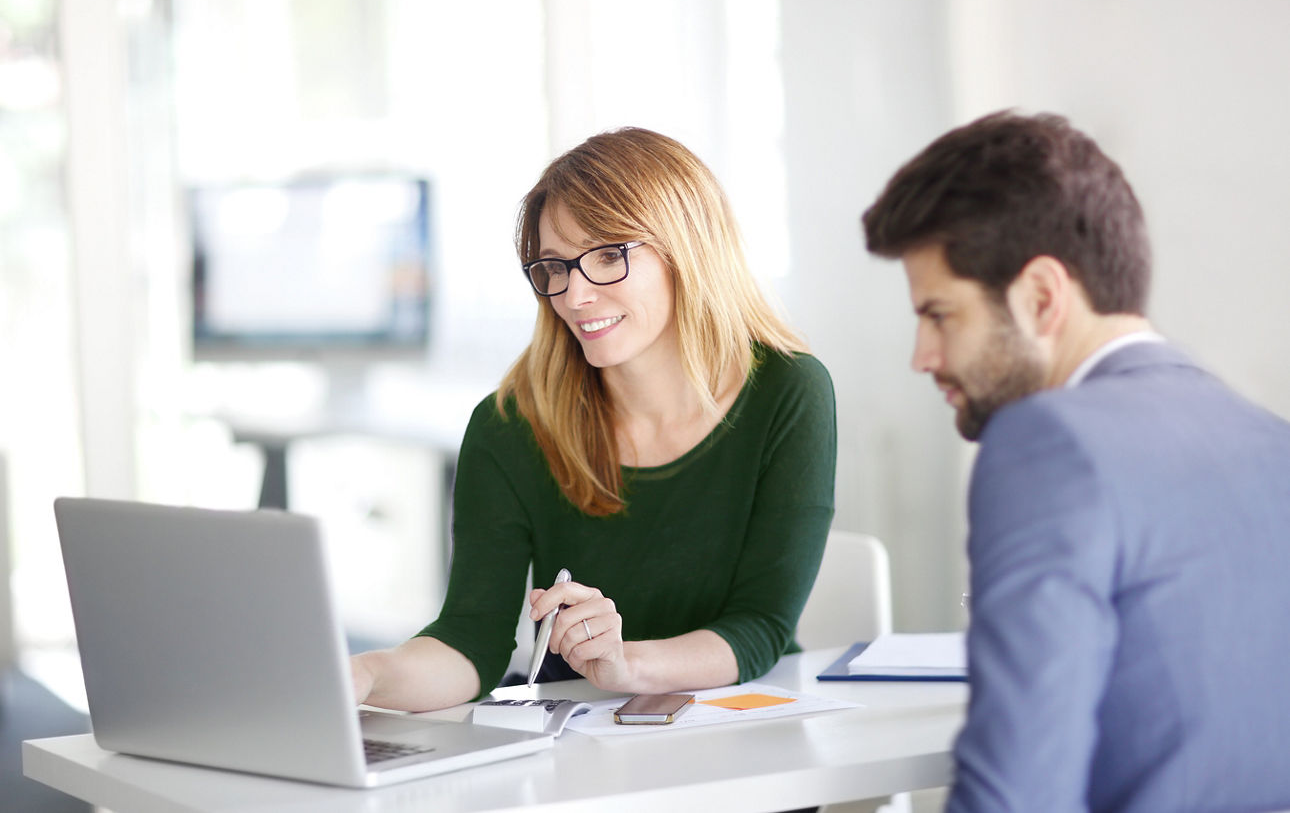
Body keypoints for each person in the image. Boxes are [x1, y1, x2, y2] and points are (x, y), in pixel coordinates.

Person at [862, 111, 1290, 812]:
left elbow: (1017, 795)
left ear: (1040, 297)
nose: (922, 357)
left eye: (939, 315)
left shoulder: (1047, 442)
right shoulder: (1273, 441)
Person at [352, 127, 836, 713]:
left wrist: (626, 663)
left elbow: (761, 626)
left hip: (740, 722)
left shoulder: (787, 391)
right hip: (579, 743)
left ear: (686, 249)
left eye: (608, 255)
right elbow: (470, 641)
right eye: (555, 267)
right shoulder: (510, 425)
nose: (574, 296)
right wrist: (367, 673)